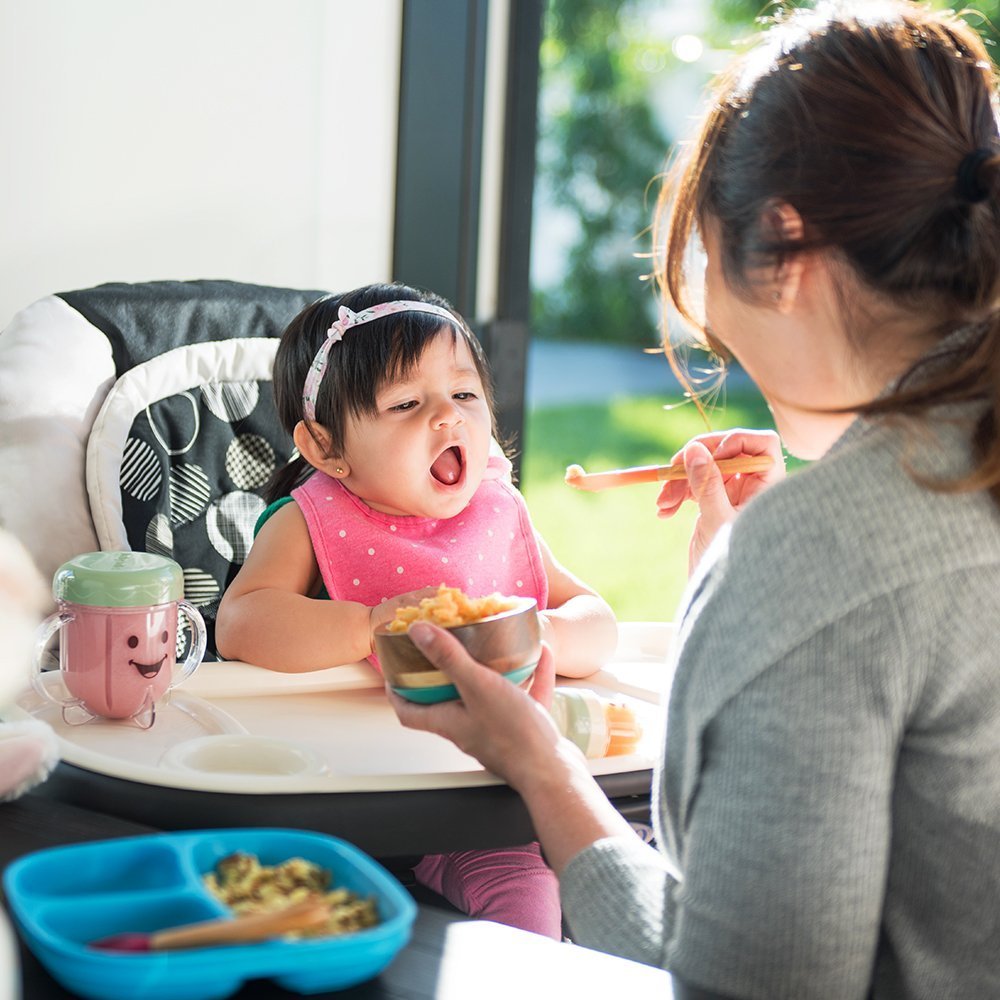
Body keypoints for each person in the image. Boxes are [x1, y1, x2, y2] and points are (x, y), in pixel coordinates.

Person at [386, 2, 1000, 997]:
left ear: (784, 247)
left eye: (706, 252)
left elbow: (742, 985)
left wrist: (541, 764)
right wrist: (759, 582)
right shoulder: (858, 533)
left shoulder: (816, 559)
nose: (704, 310)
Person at [215, 281, 617, 939]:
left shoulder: (497, 510)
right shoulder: (311, 519)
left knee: (546, 909)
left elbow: (597, 621)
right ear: (325, 447)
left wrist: (536, 631)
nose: (447, 418)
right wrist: (369, 625)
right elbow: (240, 624)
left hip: (493, 793)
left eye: (465, 394)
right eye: (406, 403)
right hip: (352, 794)